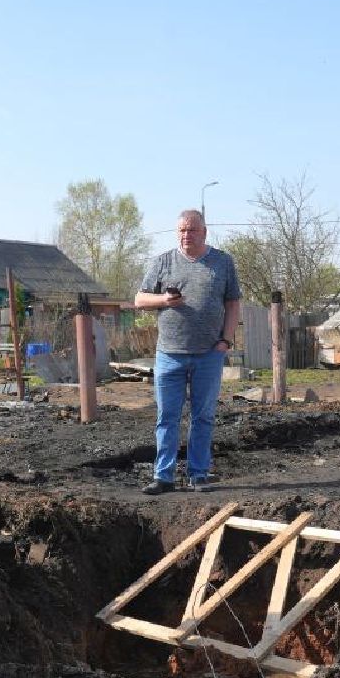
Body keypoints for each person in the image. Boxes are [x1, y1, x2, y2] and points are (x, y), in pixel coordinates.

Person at [132, 209, 241, 495]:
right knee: (167, 417)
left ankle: (198, 474)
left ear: (204, 231)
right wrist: (165, 300)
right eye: (181, 230)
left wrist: (225, 341)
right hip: (169, 354)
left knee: (202, 416)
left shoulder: (222, 262)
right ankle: (163, 476)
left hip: (208, 353)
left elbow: (232, 304)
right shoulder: (162, 262)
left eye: (191, 230)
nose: (186, 235)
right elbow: (140, 299)